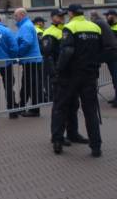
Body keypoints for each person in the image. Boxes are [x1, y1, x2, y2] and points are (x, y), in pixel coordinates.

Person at [51, 4, 104, 157]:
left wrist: (59, 69)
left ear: (71, 13)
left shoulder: (70, 27)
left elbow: (67, 51)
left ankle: (58, 141)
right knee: (90, 111)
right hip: (90, 75)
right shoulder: (95, 27)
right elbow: (101, 49)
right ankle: (96, 146)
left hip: (70, 76)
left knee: (61, 107)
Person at [40, 9, 87, 146]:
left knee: (73, 105)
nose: (61, 18)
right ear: (52, 17)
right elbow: (47, 56)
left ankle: (73, 133)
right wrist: (54, 74)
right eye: (58, 16)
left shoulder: (66, 30)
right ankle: (57, 137)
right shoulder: (49, 33)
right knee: (60, 107)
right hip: (60, 75)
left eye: (62, 16)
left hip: (71, 74)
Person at [14, 8, 43, 116]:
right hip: (30, 60)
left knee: (31, 85)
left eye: (16, 16)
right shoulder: (25, 25)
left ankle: (34, 110)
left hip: (31, 61)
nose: (14, 18)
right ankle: (22, 106)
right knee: (27, 85)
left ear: (21, 15)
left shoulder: (26, 26)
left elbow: (27, 43)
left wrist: (18, 53)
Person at [90, 10, 117, 107]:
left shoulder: (97, 23)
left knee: (115, 77)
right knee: (116, 76)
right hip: (114, 51)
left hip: (109, 52)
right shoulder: (102, 22)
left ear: (92, 17)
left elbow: (97, 39)